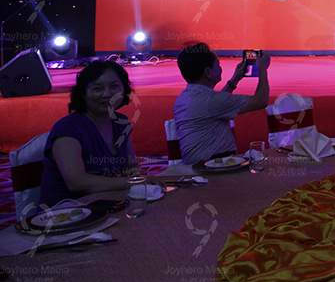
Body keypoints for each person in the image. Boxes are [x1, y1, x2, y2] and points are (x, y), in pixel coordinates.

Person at [40, 61, 164, 206]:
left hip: (104, 205)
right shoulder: (68, 128)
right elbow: (77, 183)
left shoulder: (120, 123)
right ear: (83, 93)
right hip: (64, 212)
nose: (107, 94)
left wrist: (137, 174)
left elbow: (130, 166)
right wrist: (133, 181)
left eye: (114, 86)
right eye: (98, 89)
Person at [173, 43, 270, 165]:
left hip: (197, 165)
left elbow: (217, 104)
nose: (220, 68)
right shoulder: (211, 101)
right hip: (215, 166)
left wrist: (235, 79)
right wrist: (262, 70)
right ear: (208, 72)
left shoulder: (185, 97)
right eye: (218, 65)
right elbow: (261, 100)